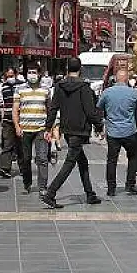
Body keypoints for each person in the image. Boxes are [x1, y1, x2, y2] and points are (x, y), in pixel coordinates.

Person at [40, 58, 104, 209]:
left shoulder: (59, 86)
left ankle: (89, 193)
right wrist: (99, 126)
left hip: (67, 129)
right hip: (80, 129)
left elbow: (53, 108)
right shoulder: (84, 88)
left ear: (68, 68)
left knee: (82, 161)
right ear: (80, 69)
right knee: (69, 163)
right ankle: (50, 193)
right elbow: (90, 111)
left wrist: (48, 128)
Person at [97, 68, 137, 196]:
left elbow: (99, 106)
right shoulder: (133, 93)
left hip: (112, 132)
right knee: (133, 157)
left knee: (112, 160)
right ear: (127, 80)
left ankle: (111, 188)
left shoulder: (107, 92)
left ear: (116, 79)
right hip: (129, 131)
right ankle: (130, 184)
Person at [14, 62, 51, 196]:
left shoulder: (46, 89)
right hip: (25, 129)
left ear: (39, 74)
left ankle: (42, 186)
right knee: (25, 158)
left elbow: (50, 109)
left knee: (42, 158)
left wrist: (49, 128)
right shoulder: (19, 89)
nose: (31, 75)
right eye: (29, 72)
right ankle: (27, 182)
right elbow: (15, 109)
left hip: (41, 129)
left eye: (34, 72)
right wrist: (17, 126)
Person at [0, 68, 24, 178]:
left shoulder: (23, 86)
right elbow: (0, 104)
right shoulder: (2, 87)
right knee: (7, 144)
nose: (10, 78)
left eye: (12, 75)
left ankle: (24, 168)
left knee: (21, 146)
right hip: (7, 120)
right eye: (8, 76)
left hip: (21, 120)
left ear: (16, 75)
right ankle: (4, 168)